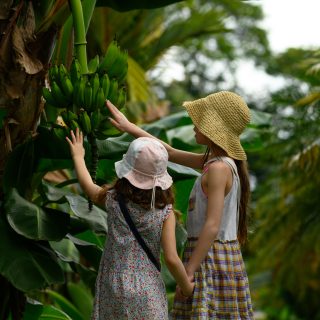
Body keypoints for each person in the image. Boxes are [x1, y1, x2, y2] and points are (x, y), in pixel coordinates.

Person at [106, 90, 254, 319]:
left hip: (210, 255)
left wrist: (189, 271)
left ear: (213, 129)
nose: (194, 124)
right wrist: (130, 127)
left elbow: (212, 225)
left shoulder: (218, 169)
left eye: (200, 120)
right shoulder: (214, 162)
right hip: (207, 252)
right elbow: (171, 152)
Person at [66, 130, 194, 319]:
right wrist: (187, 287)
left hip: (113, 286)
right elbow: (172, 259)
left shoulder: (114, 201)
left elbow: (87, 186)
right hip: (147, 290)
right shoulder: (165, 213)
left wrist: (78, 155)